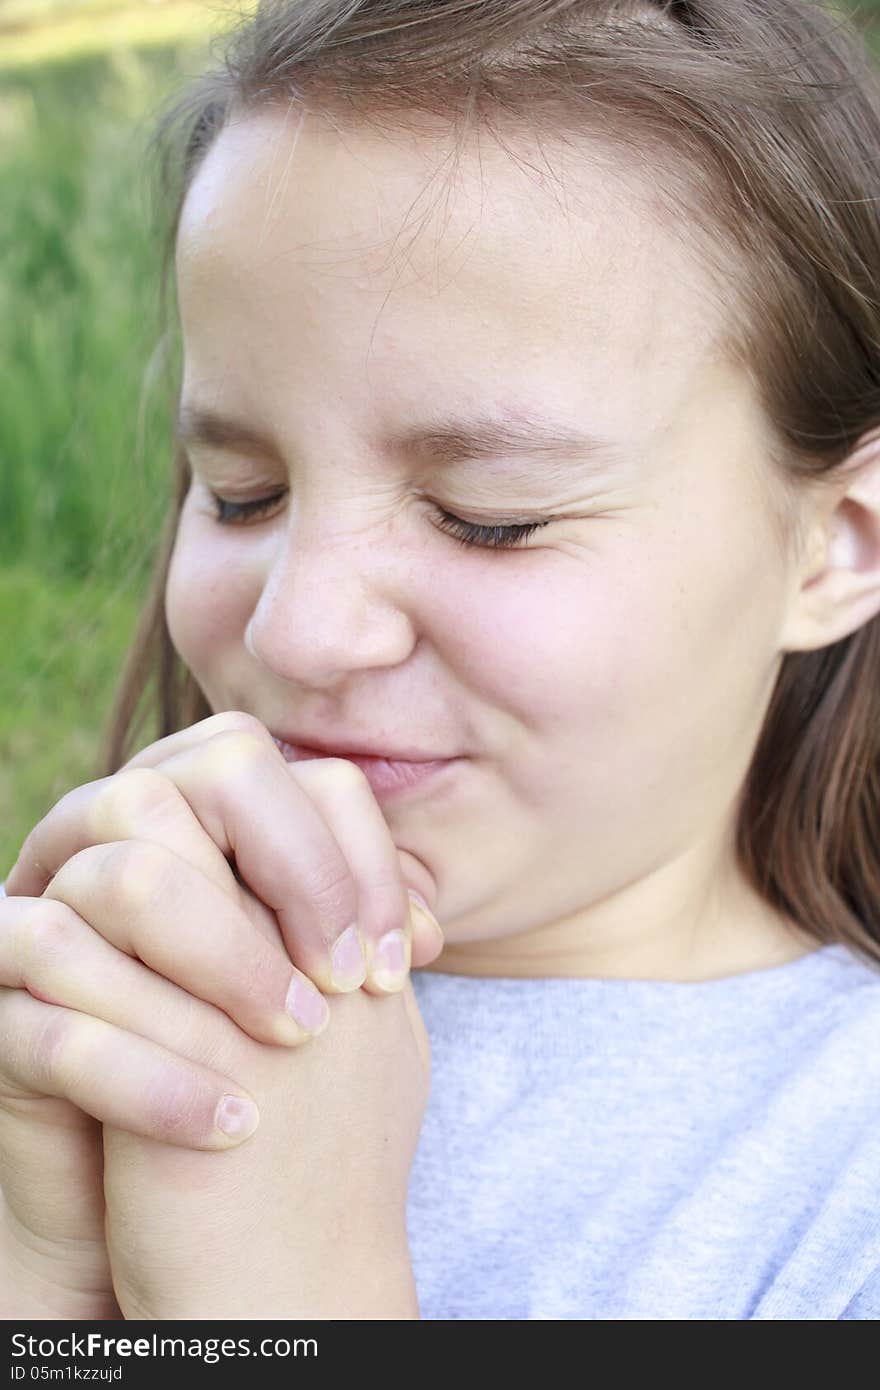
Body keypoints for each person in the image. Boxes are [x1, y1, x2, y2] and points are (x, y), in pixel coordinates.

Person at [3, 0, 880, 1321]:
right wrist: (45, 1286)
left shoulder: (835, 1185)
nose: (298, 628)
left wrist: (285, 1313)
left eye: (491, 516)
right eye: (239, 490)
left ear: (838, 548)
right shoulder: (83, 1028)